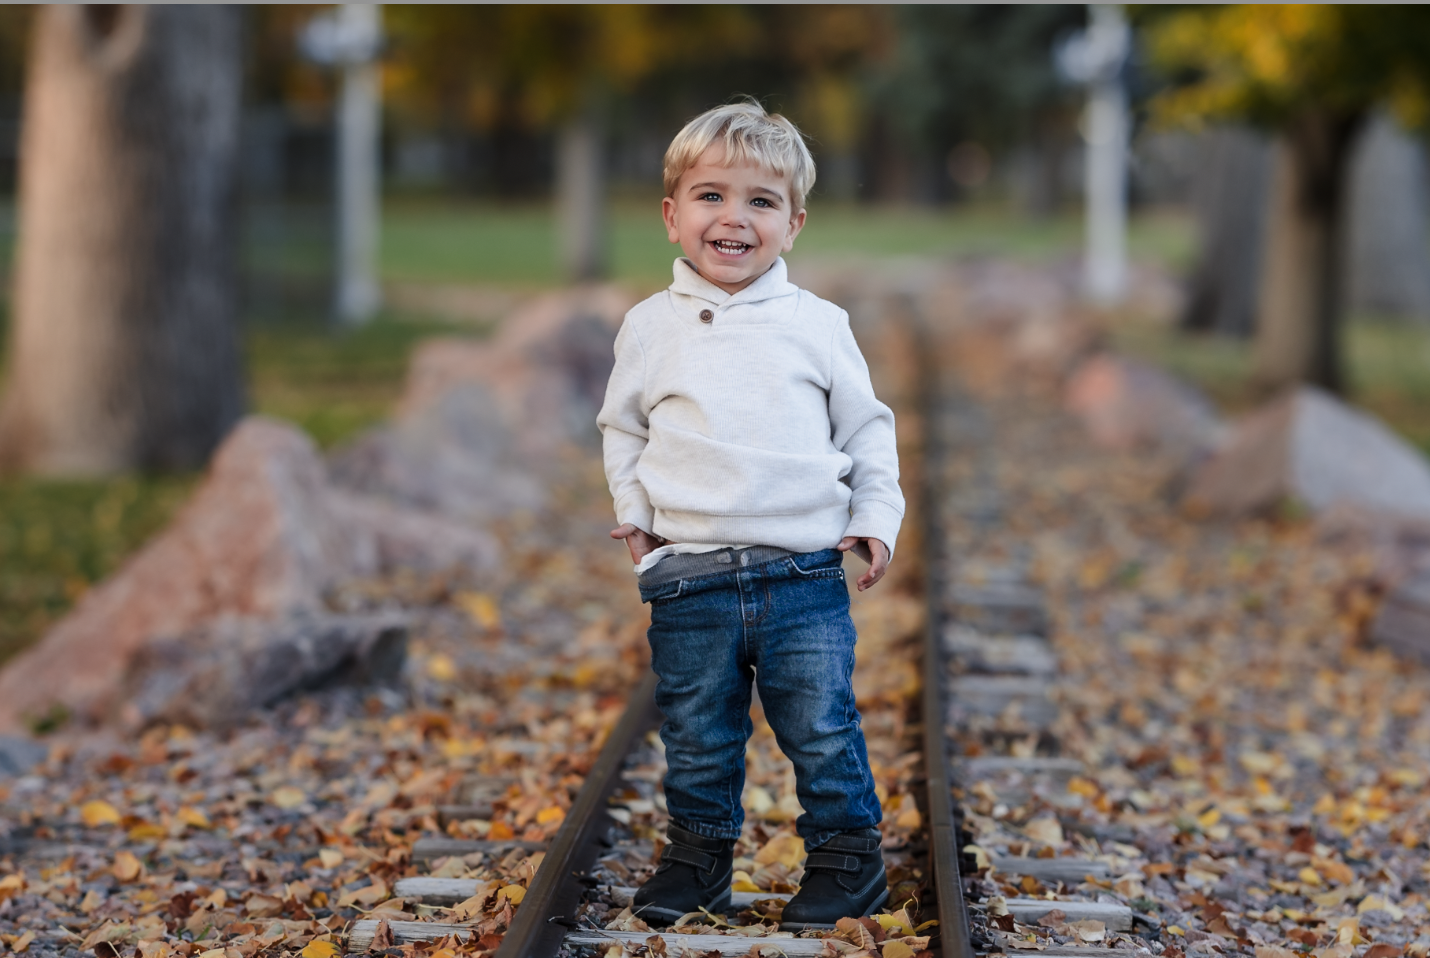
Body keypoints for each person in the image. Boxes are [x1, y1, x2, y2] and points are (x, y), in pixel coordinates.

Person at [596, 100, 904, 930]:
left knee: (822, 730)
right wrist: (635, 513)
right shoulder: (649, 327)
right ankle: (698, 861)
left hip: (801, 575)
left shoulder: (819, 326)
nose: (734, 218)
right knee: (698, 737)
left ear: (793, 224)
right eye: (711, 197)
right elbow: (622, 428)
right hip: (688, 577)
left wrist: (875, 517)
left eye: (761, 202)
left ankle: (846, 860)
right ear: (672, 215)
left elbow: (868, 431)